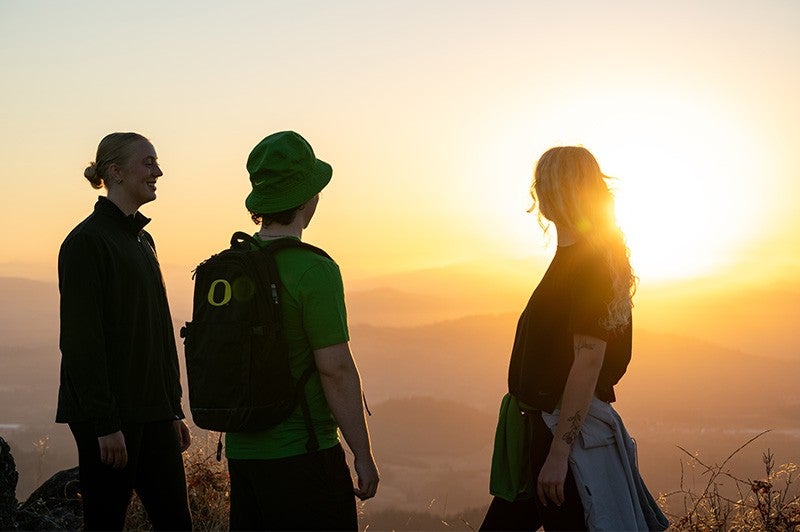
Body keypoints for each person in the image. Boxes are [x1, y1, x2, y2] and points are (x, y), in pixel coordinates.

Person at [480, 146, 666, 530]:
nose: (537, 192)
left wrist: (559, 453)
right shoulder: (578, 258)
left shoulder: (588, 263)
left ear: (558, 191)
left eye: (543, 183)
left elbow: (589, 359)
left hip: (560, 431)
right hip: (542, 429)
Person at [224, 130, 379, 531]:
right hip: (303, 455)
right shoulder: (315, 271)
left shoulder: (232, 266)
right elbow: (335, 369)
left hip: (243, 456)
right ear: (308, 197)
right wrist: (362, 454)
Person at [57, 132, 192, 531]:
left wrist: (172, 408)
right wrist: (105, 424)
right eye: (148, 163)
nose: (158, 171)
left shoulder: (142, 240)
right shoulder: (86, 242)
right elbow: (81, 341)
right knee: (105, 523)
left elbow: (156, 336)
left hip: (153, 412)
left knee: (176, 523)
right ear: (115, 172)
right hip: (111, 420)